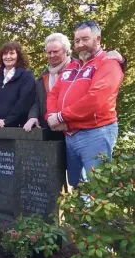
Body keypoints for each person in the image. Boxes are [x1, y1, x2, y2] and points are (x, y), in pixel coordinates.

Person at [46, 21, 124, 188]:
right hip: (70, 134)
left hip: (95, 132)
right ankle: (79, 214)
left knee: (96, 188)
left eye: (85, 39)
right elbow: (53, 94)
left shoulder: (108, 63)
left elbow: (96, 100)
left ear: (98, 39)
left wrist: (61, 116)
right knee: (77, 185)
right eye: (77, 41)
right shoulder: (71, 67)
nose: (80, 45)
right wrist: (52, 117)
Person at [24, 33, 126, 132]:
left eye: (55, 51)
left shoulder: (83, 68)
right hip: (52, 129)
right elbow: (38, 100)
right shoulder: (43, 77)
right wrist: (33, 117)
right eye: (49, 52)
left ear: (67, 51)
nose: (52, 55)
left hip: (84, 129)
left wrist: (122, 61)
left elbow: (98, 94)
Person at [0, 42, 36, 128]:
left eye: (11, 53)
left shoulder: (26, 76)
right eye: (5, 54)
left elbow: (23, 104)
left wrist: (5, 122)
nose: (8, 57)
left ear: (18, 56)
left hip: (17, 130)